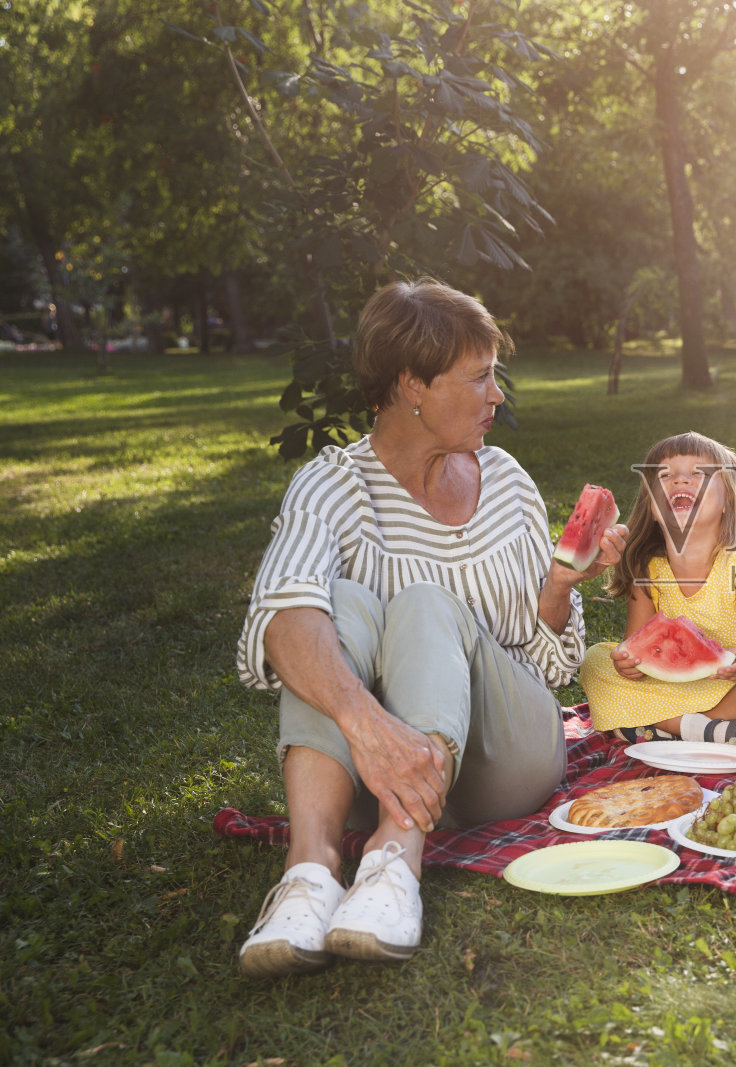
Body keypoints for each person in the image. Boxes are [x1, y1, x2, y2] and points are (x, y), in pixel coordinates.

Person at [233, 278, 625, 978]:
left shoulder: (506, 482)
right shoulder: (332, 486)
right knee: (333, 605)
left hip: (507, 756)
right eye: (480, 378)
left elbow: (551, 662)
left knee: (423, 600)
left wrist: (561, 583)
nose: (497, 396)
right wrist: (370, 726)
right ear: (412, 383)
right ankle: (312, 873)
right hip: (371, 767)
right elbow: (282, 618)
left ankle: (394, 861)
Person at [579, 432, 736, 748]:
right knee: (596, 661)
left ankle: (665, 726)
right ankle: (710, 732)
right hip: (683, 689)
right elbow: (636, 648)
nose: (679, 481)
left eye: (698, 474)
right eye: (664, 476)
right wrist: (626, 665)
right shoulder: (647, 571)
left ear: (727, 502)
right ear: (651, 507)